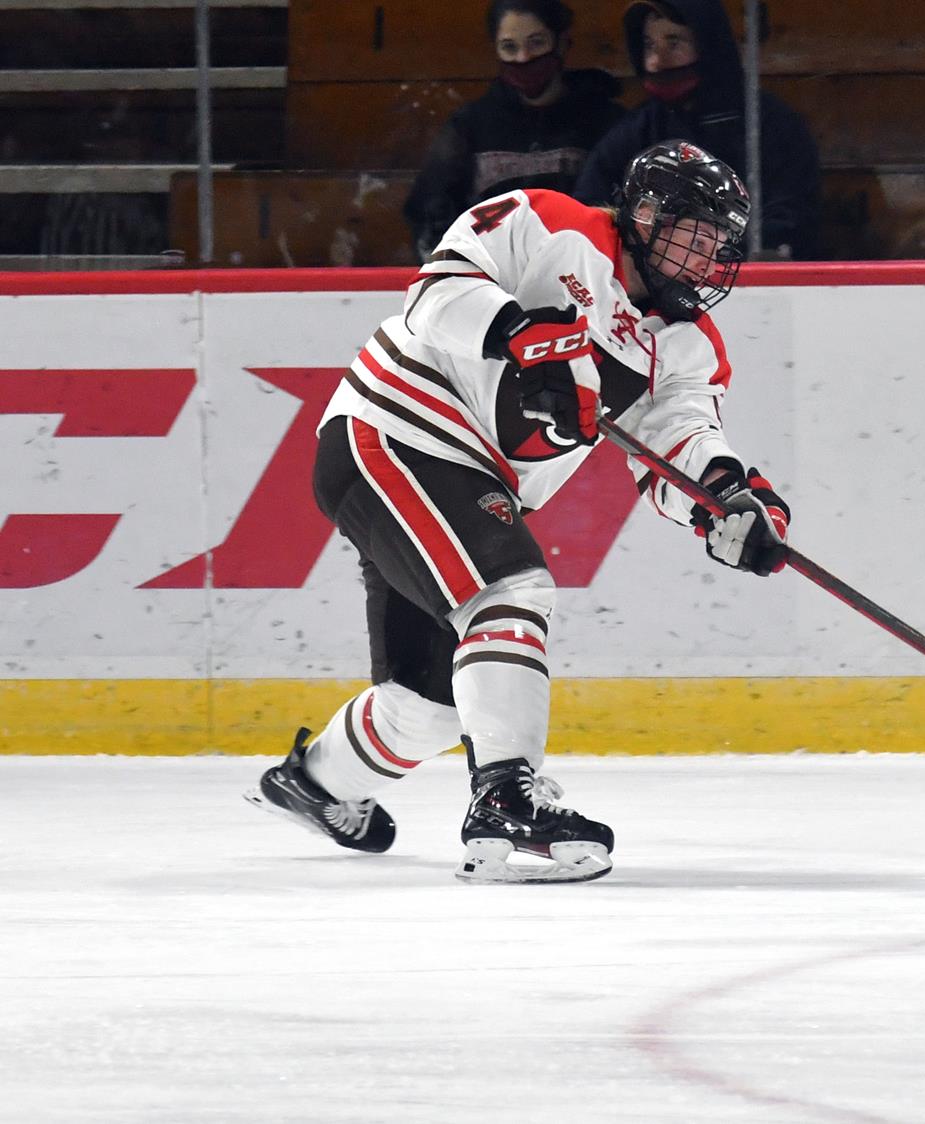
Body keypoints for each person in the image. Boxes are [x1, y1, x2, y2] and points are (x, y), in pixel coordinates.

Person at [248, 141, 791, 884]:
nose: (706, 259)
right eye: (693, 235)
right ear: (644, 215)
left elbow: (681, 440)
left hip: (461, 475)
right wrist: (517, 335)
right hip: (397, 429)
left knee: (429, 707)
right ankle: (505, 800)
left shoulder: (688, 346)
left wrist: (729, 501)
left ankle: (312, 783)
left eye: (717, 244)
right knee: (511, 592)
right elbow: (435, 292)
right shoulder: (548, 222)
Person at [572, 0, 821, 260]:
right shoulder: (637, 131)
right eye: (649, 45)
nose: (657, 61)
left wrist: (712, 254)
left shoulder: (769, 126)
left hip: (747, 278)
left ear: (708, 45)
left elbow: (790, 221)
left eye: (674, 43)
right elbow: (588, 209)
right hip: (653, 280)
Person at [402, 0, 626, 258]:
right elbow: (429, 212)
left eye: (536, 43)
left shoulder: (603, 120)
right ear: (496, 50)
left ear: (561, 43)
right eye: (509, 47)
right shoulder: (470, 125)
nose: (523, 58)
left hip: (581, 269)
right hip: (490, 273)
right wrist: (455, 268)